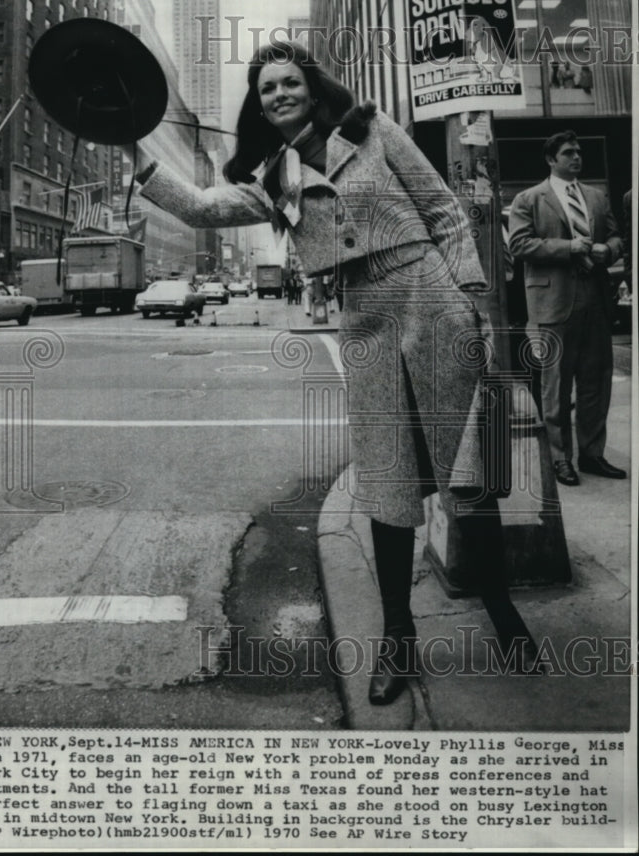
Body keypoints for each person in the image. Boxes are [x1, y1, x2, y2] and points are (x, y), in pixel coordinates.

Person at [134, 40, 542, 704]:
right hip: (365, 318)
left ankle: (502, 613)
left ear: (312, 87)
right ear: (258, 106)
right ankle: (397, 639)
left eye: (288, 82)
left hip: (429, 296)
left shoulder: (371, 129)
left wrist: (469, 299)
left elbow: (442, 211)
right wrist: (133, 150)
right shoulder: (275, 178)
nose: (278, 95)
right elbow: (204, 208)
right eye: (266, 89)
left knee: (468, 472)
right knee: (386, 482)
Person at [508, 131, 626, 487]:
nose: (576, 158)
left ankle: (592, 453)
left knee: (596, 382)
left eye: (578, 152)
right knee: (555, 385)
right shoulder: (529, 199)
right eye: (568, 153)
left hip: (596, 299)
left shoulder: (596, 196)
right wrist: (569, 247)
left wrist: (611, 250)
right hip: (553, 302)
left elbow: (617, 236)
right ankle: (561, 458)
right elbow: (519, 243)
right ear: (551, 159)